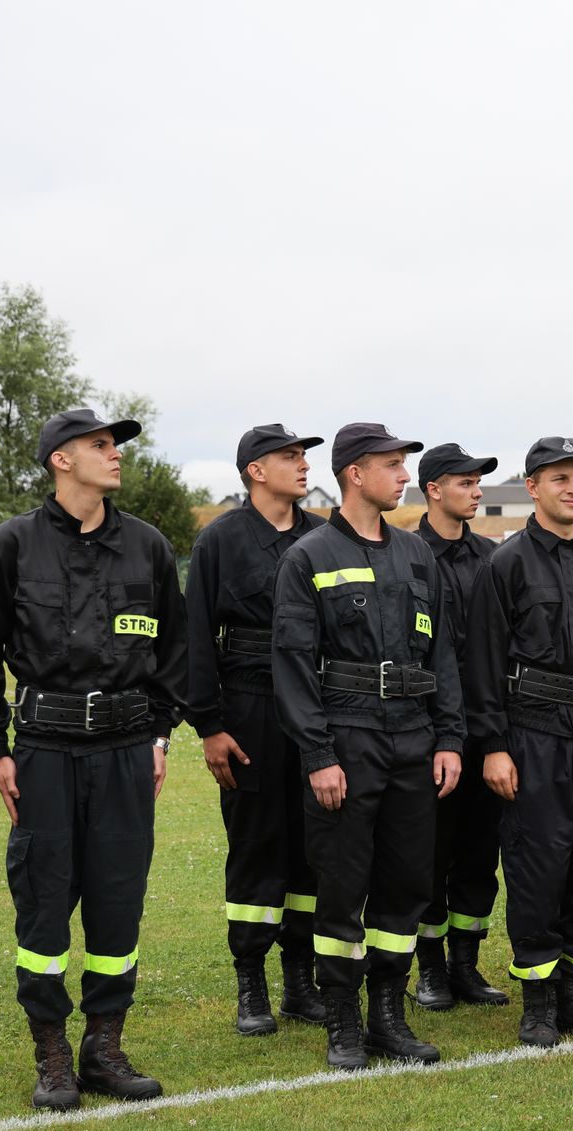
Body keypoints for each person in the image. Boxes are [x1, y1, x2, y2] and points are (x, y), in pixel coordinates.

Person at [0, 409, 186, 1110]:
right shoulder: (9, 546)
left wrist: (159, 735)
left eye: (114, 446)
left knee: (119, 900)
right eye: (99, 445)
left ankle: (104, 1048)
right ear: (60, 459)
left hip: (125, 750)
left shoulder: (147, 546)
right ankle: (52, 1053)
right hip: (45, 752)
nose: (114, 456)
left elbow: (175, 654)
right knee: (44, 902)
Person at [273, 423, 465, 1068]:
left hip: (414, 738)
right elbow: (294, 667)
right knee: (342, 884)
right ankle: (343, 1023)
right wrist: (319, 756)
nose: (404, 475)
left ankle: (388, 1015)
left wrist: (450, 737)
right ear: (355, 473)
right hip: (347, 740)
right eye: (392, 465)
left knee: (406, 883)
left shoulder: (417, 556)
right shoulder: (310, 556)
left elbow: (443, 653)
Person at [465, 438, 573, 1047]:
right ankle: (538, 1000)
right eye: (560, 478)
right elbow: (482, 664)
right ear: (532, 486)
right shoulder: (506, 564)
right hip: (533, 736)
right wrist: (492, 746)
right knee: (540, 867)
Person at [184, 424, 329, 1036]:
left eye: (303, 457)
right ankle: (252, 985)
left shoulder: (325, 537)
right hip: (249, 707)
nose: (301, 466)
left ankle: (301, 982)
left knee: (313, 848)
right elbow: (194, 638)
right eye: (288, 457)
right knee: (255, 846)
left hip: (317, 708)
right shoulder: (219, 540)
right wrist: (210, 726)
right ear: (254, 471)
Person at [411, 443, 511, 1011]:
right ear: (433, 490)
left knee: (479, 853)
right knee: (431, 854)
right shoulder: (406, 554)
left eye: (479, 482)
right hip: (427, 730)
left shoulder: (492, 559)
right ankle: (429, 969)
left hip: (487, 727)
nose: (477, 491)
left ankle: (466, 965)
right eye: (466, 482)